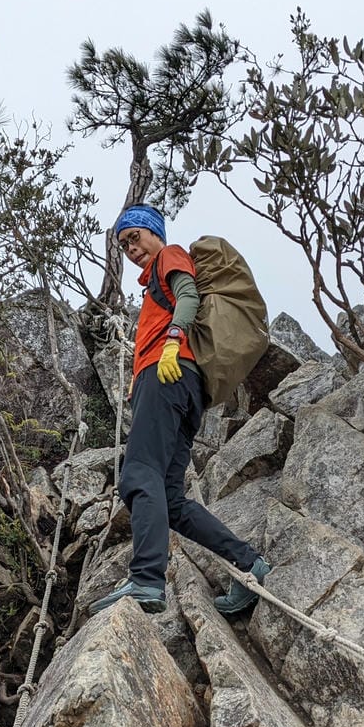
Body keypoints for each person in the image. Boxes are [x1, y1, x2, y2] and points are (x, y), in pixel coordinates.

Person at [89, 204, 271, 616]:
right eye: (123, 244)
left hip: (168, 373)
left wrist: (172, 341)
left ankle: (146, 580)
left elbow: (187, 294)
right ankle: (250, 565)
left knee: (139, 473)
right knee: (170, 501)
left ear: (154, 233)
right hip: (184, 388)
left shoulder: (169, 256)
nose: (130, 248)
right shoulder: (152, 279)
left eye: (134, 236)